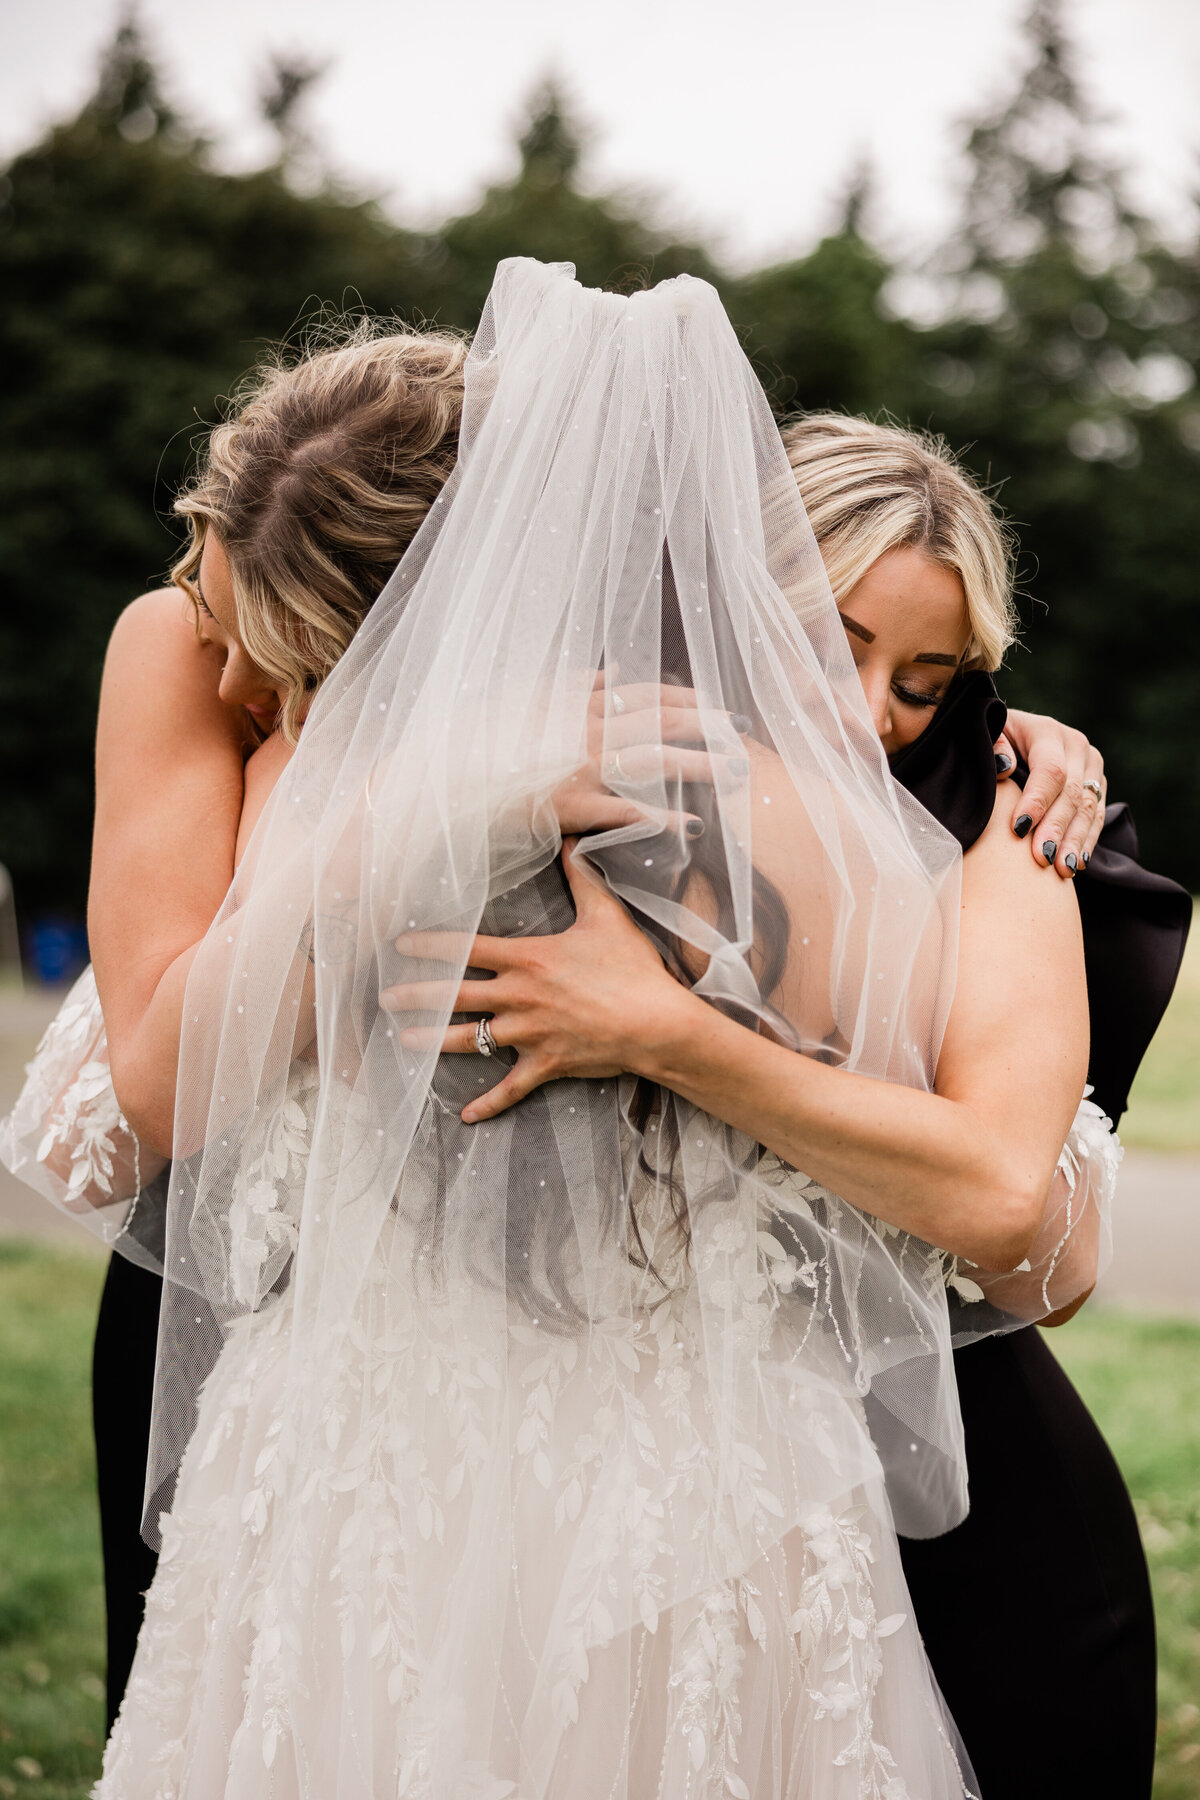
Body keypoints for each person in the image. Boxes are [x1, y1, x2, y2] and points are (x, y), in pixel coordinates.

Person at [0, 273, 1169, 1790]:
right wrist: (441, 817)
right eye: (826, 638)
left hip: (741, 1460)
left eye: (925, 678)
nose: (870, 709)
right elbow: (140, 1102)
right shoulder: (389, 765)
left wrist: (674, 1032)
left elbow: (1039, 1237)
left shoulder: (983, 822)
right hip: (373, 1417)